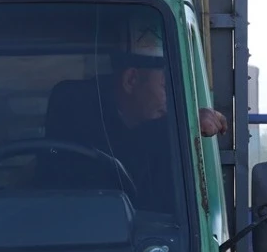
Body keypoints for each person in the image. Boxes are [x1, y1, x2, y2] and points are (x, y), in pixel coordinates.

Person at [43, 28, 227, 202]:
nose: (172, 101)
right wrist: (183, 124)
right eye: (165, 87)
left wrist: (189, 123)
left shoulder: (166, 130)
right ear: (131, 80)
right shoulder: (78, 115)